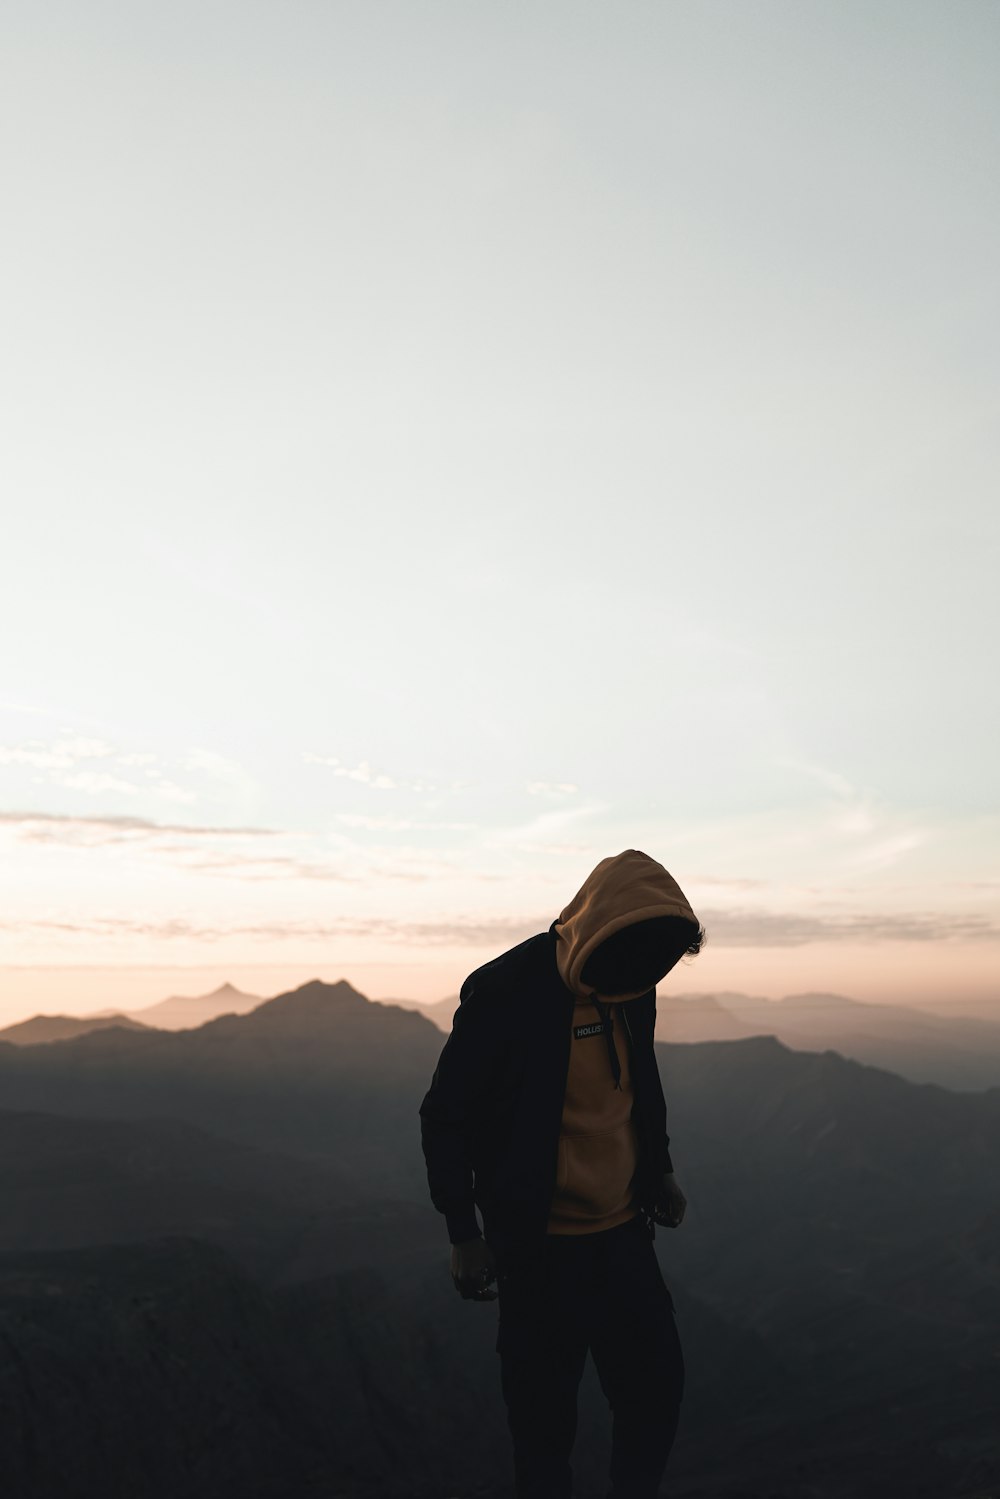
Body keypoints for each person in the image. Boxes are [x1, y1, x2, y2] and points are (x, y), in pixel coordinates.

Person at [419, 848, 705, 1499]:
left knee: (656, 1394)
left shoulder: (633, 982)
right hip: (539, 1248)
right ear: (601, 928)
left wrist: (658, 1169)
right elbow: (445, 1115)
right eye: (636, 957)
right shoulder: (504, 991)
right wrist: (463, 1231)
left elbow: (639, 1084)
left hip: (624, 1234)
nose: (643, 973)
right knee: (544, 1429)